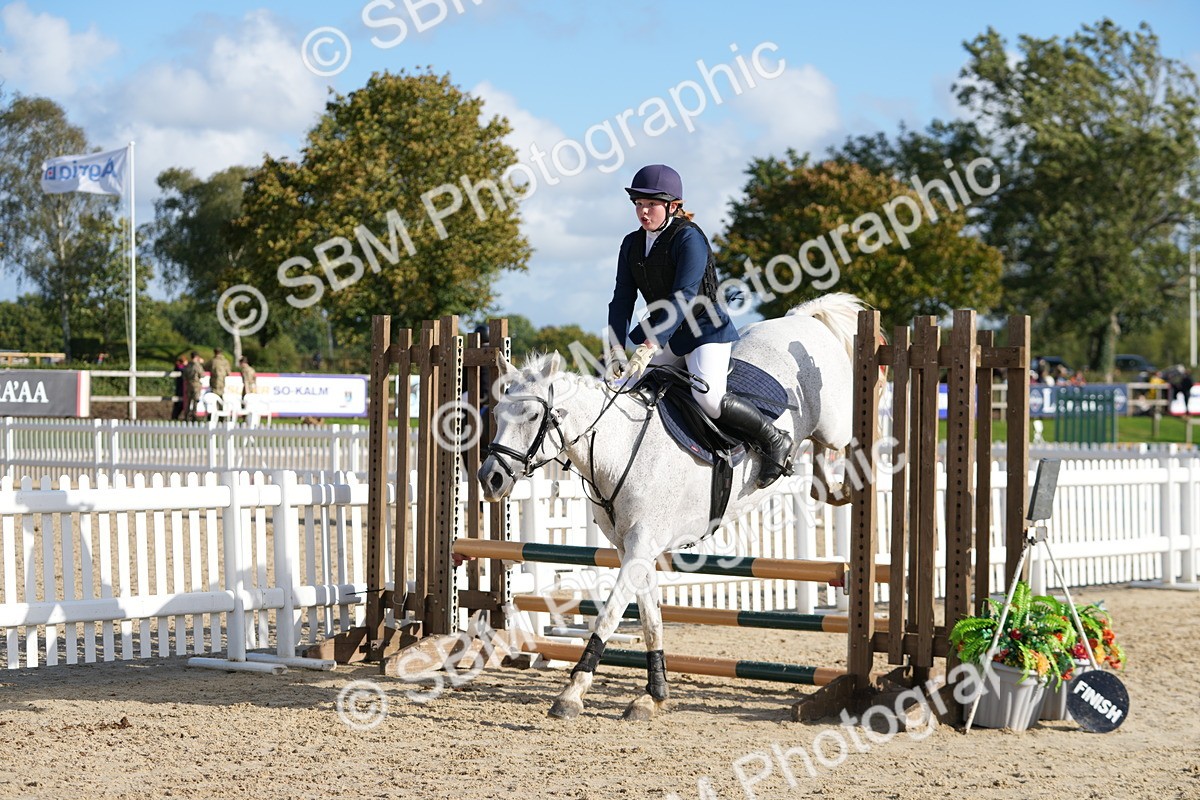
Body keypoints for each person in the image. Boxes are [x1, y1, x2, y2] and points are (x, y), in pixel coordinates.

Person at [605, 164, 791, 488]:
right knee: (624, 390)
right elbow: (621, 299)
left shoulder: (689, 238)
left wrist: (649, 346)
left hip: (704, 327)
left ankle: (774, 439)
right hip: (670, 332)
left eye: (650, 205)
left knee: (709, 397)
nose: (642, 212)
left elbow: (683, 297)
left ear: (673, 205)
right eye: (638, 204)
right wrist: (617, 348)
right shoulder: (631, 244)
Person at [182, 351, 205, 422]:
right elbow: (202, 374)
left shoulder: (187, 365)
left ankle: (186, 416)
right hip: (196, 385)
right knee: (195, 401)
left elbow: (184, 376)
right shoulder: (197, 365)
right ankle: (194, 417)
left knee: (188, 402)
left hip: (189, 385)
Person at [171, 355, 187, 420]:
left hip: (180, 387)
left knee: (179, 404)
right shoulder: (180, 367)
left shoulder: (179, 367)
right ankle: (175, 417)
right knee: (179, 404)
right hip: (181, 388)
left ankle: (175, 417)